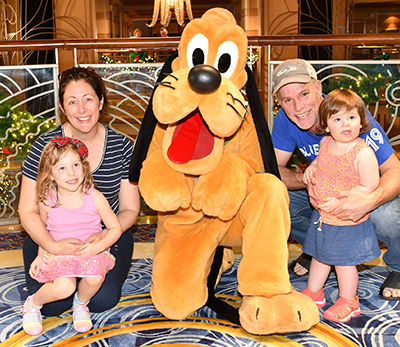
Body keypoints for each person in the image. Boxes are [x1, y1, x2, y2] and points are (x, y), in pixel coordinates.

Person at [271, 59, 400, 299]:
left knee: (388, 215)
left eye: (304, 93)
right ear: (280, 103)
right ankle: (317, 249)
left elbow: (395, 170)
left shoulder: (348, 116)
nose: (297, 107)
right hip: (328, 198)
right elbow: (274, 170)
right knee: (275, 198)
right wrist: (309, 180)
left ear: (319, 88)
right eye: (287, 100)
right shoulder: (284, 122)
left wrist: (369, 200)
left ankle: (398, 265)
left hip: (363, 188)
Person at [19, 66, 140, 317]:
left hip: (106, 232)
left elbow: (130, 208)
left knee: (101, 300)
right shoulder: (45, 146)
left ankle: (80, 297)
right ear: (62, 108)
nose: (82, 110)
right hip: (52, 232)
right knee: (54, 304)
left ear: (101, 102)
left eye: (88, 100)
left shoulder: (120, 145)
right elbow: (27, 209)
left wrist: (105, 235)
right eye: (72, 102)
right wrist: (50, 245)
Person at [22, 137, 122, 335]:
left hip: (90, 251)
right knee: (63, 288)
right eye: (62, 168)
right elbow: (44, 230)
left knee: (94, 278)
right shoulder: (47, 201)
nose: (71, 173)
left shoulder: (95, 196)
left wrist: (98, 247)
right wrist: (41, 254)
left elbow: (115, 229)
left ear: (84, 166)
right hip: (60, 253)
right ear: (50, 175)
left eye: (76, 164)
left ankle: (80, 304)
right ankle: (33, 304)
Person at [300, 89, 380, 323]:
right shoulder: (325, 143)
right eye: (337, 119)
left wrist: (342, 201)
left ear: (361, 121)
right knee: (319, 256)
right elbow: (320, 162)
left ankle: (349, 299)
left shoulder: (362, 153)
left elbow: (369, 186)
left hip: (347, 221)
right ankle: (314, 292)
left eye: (352, 117)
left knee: (344, 264)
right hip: (323, 217)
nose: (346, 124)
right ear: (326, 125)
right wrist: (312, 168)